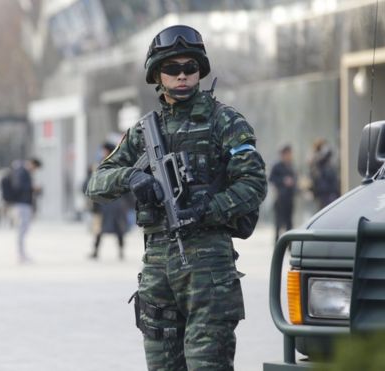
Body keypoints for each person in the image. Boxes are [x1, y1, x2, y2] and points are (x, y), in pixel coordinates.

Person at [86, 25, 267, 370]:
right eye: (172, 69)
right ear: (157, 74)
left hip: (209, 264)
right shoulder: (143, 132)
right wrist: (133, 176)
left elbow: (254, 184)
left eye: (190, 68)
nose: (182, 75)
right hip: (157, 266)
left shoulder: (224, 121)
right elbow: (97, 184)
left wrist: (207, 208)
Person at [86, 143, 130, 261]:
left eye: (104, 150)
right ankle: (95, 251)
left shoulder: (117, 163)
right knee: (98, 229)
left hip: (115, 202)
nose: (102, 152)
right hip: (101, 202)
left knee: (118, 228)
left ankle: (121, 251)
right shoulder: (98, 164)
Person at [7, 158, 41, 263]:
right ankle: (20, 254)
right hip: (21, 203)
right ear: (32, 164)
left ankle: (22, 253)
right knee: (22, 228)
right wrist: (32, 188)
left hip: (24, 203)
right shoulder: (22, 172)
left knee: (23, 229)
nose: (34, 170)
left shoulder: (23, 172)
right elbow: (18, 187)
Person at [269, 145, 297, 242]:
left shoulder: (291, 166)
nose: (289, 156)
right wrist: (283, 180)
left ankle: (289, 243)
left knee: (289, 222)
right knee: (278, 222)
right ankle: (277, 242)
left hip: (289, 198)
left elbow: (295, 179)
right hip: (280, 198)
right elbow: (271, 179)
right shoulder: (277, 166)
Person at [309, 138, 339, 210]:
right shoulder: (316, 159)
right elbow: (321, 159)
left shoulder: (327, 163)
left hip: (331, 192)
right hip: (323, 193)